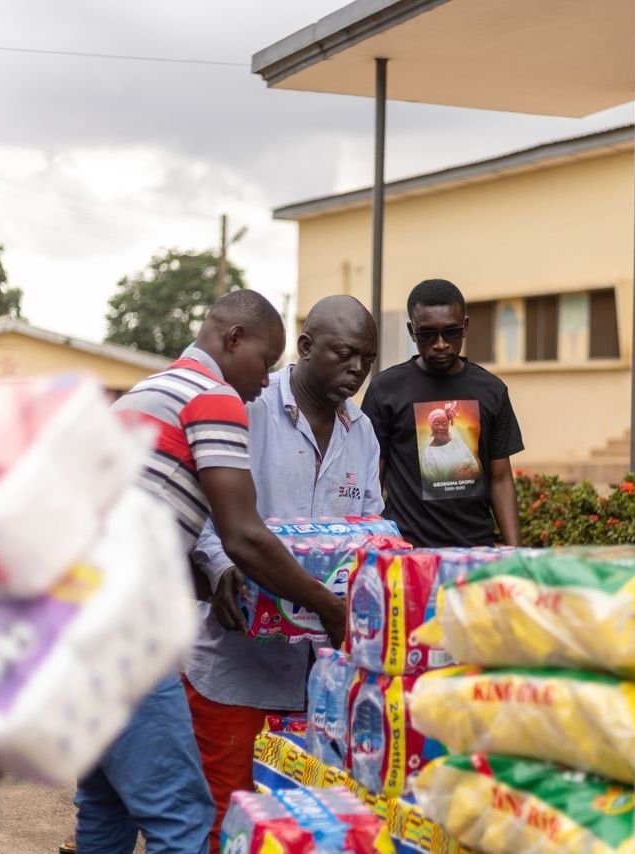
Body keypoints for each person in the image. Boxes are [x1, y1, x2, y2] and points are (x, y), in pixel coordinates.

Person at [74, 290, 347, 854]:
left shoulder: (146, 393)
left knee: (106, 808)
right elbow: (243, 535)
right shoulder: (212, 397)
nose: (265, 382)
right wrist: (326, 606)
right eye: (264, 363)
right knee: (183, 816)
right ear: (233, 339)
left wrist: (215, 584)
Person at [185, 295, 380, 853]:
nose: (357, 370)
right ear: (306, 346)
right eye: (345, 354)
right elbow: (204, 510)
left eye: (367, 359)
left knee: (304, 826)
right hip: (236, 666)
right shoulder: (248, 406)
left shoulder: (362, 432)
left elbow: (368, 531)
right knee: (224, 822)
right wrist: (222, 564)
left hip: (321, 679)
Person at [361, 278, 524, 548]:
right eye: (427, 334)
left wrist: (516, 553)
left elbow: (501, 479)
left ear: (465, 326)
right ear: (412, 331)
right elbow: (372, 478)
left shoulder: (491, 390)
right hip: (407, 552)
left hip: (475, 551)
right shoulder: (385, 390)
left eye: (451, 332)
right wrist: (372, 546)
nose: (440, 344)